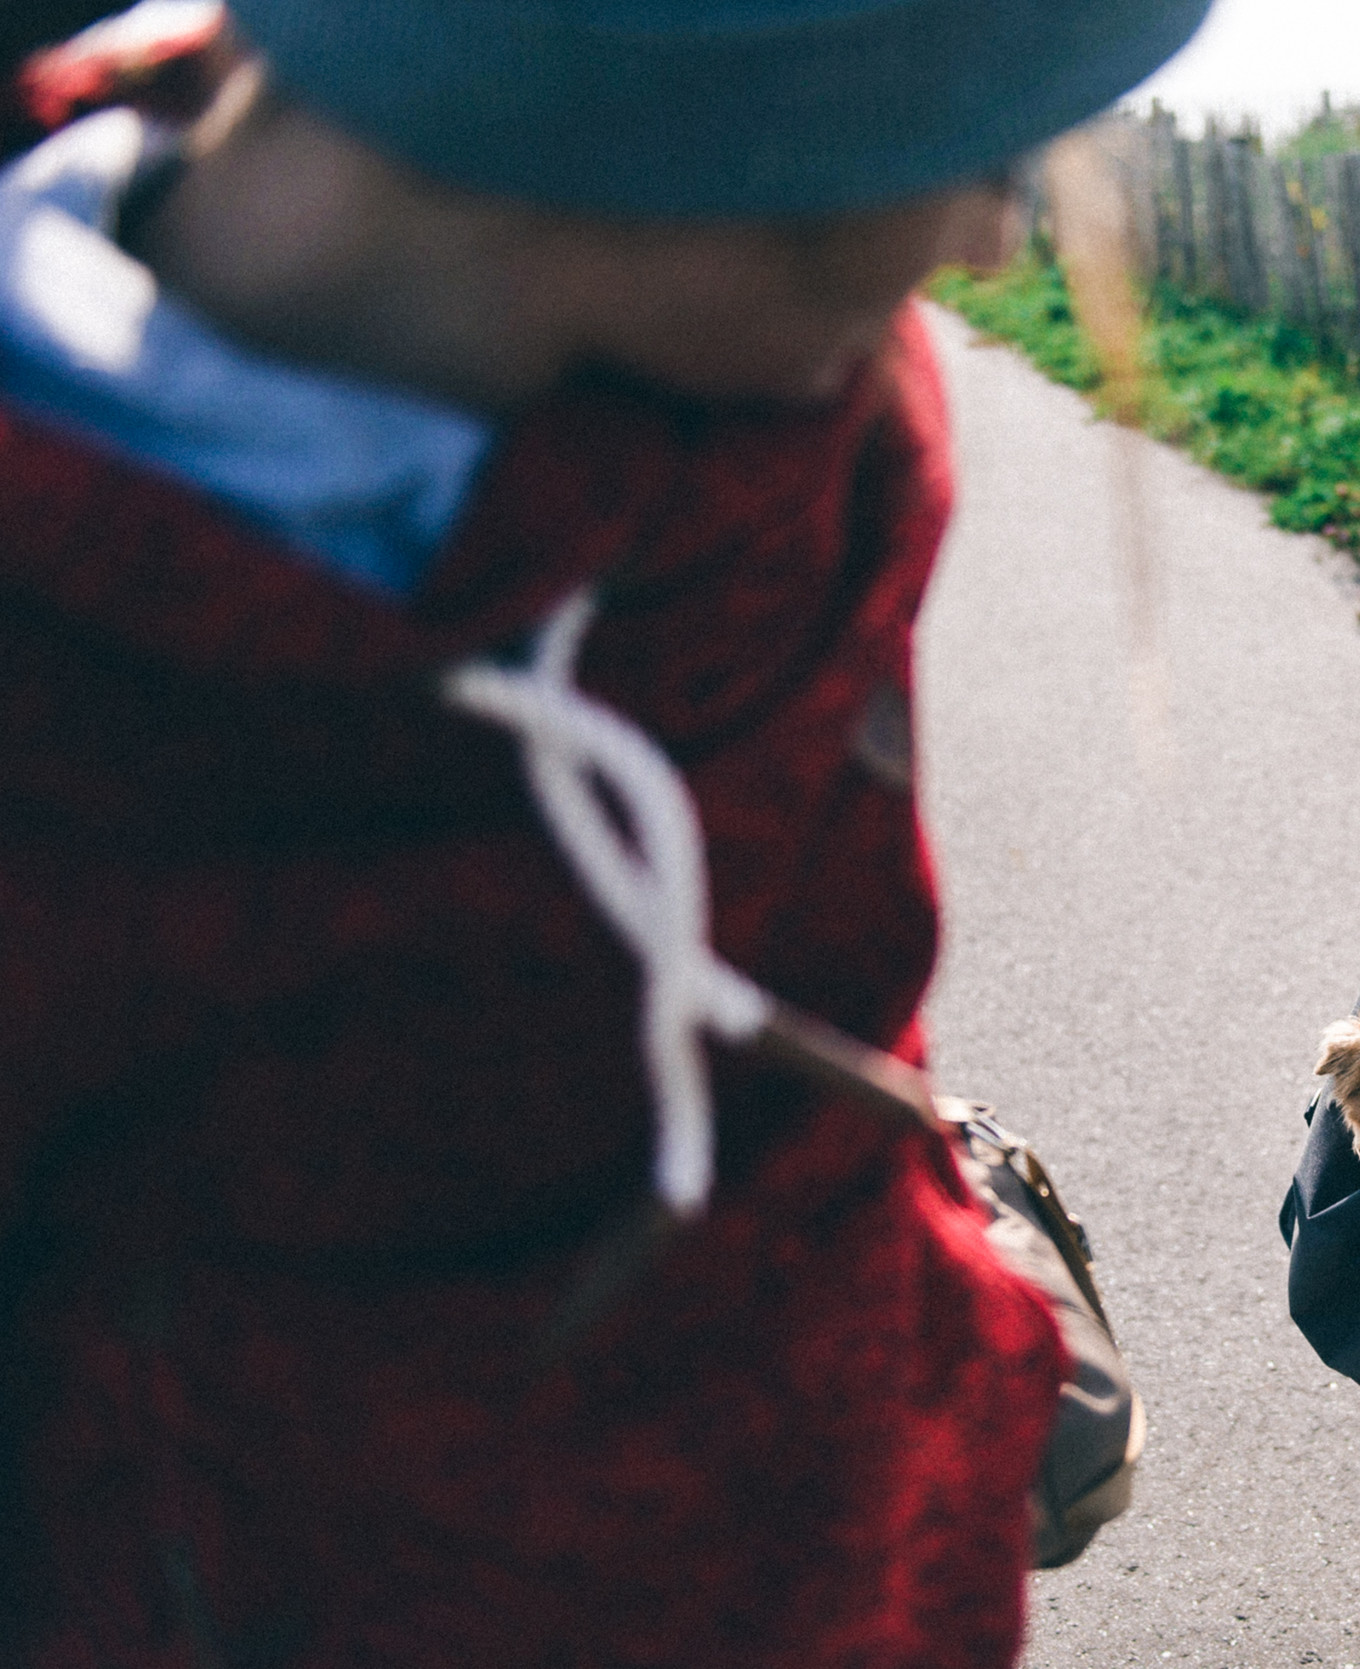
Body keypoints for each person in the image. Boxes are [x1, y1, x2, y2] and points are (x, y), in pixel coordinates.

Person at [0, 0, 1206, 1663]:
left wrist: (959, 1343)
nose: (990, 244)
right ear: (688, 87)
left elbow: (835, 1004)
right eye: (976, 149)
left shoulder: (821, 441)